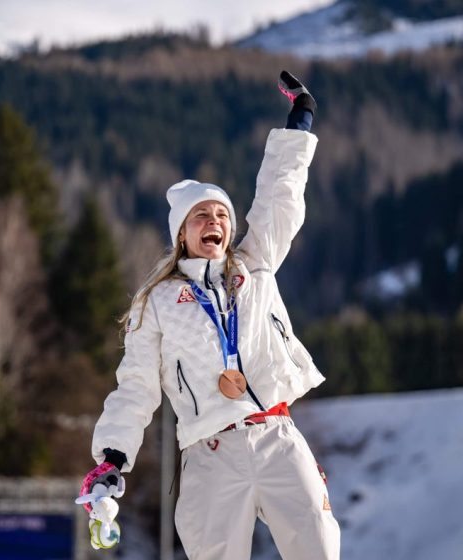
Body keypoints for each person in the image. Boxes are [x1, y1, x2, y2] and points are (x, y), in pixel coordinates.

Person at [79, 71, 340, 560]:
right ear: (182, 233)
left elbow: (280, 197)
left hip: (277, 436)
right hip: (210, 454)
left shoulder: (255, 265)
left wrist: (300, 123)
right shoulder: (155, 302)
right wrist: (112, 457)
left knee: (320, 548)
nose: (214, 222)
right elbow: (135, 385)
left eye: (221, 215)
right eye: (201, 216)